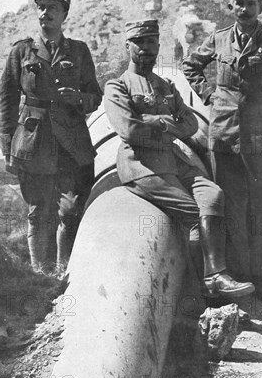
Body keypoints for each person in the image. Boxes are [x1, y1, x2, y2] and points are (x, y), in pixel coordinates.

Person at [104, 19, 254, 298]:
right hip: (142, 166)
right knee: (194, 215)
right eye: (139, 43)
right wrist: (169, 124)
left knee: (213, 194)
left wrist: (159, 121)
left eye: (151, 42)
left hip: (173, 159)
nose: (146, 48)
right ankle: (206, 288)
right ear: (128, 46)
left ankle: (215, 278)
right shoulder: (117, 86)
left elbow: (190, 125)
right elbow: (129, 130)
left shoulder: (166, 86)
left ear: (158, 45)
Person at [182, 0, 262, 303]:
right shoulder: (218, 40)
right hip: (223, 135)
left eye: (251, 3)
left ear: (261, 7)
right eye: (239, 2)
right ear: (230, 5)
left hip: (261, 137)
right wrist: (209, 95)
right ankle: (235, 277)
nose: (244, 8)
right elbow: (191, 66)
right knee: (231, 208)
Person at [0, 0, 102, 274]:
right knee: (38, 212)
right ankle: (40, 275)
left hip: (71, 142)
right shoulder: (22, 51)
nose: (45, 13)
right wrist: (8, 146)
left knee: (69, 211)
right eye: (41, 8)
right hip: (33, 142)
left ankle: (63, 271)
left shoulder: (79, 51)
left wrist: (79, 99)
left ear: (64, 14)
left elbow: (96, 94)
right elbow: (6, 99)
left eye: (52, 8)